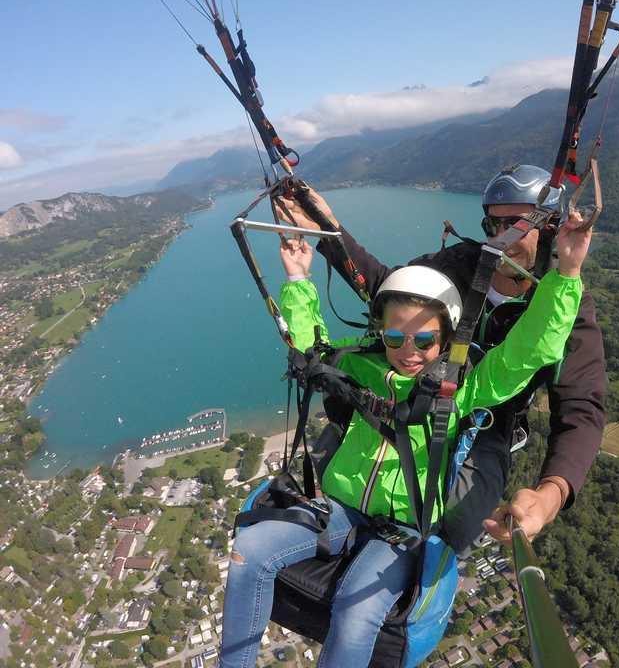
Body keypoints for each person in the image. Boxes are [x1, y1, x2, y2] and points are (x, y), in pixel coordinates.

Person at [219, 210, 593, 668]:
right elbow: (309, 352)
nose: (408, 352)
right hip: (338, 510)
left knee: (357, 609)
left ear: (447, 339)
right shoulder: (363, 370)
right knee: (249, 553)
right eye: (394, 337)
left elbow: (530, 351)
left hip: (401, 534)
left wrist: (567, 274)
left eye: (424, 340)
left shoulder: (464, 388)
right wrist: (298, 279)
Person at [275, 164, 607, 550]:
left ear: (549, 227)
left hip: (486, 415)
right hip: (420, 393)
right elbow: (393, 292)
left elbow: (581, 407)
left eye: (516, 224)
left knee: (457, 524)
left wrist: (550, 494)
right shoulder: (463, 264)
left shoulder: (569, 310)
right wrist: (327, 228)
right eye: (492, 225)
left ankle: (422, 577)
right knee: (336, 456)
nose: (502, 237)